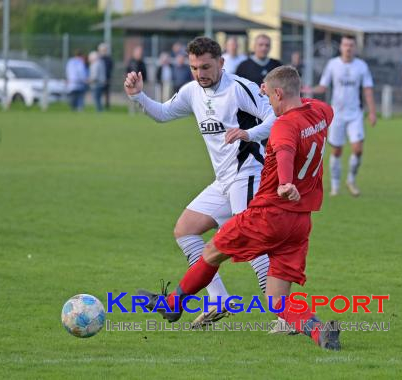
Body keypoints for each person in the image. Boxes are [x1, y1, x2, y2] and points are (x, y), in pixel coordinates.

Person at [136, 66, 341, 351]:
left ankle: (172, 305)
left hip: (269, 214)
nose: (267, 102)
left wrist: (284, 183)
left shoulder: (284, 126)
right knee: (277, 301)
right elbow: (319, 107)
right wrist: (272, 89)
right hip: (300, 222)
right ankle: (320, 332)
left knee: (210, 253)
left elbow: (284, 152)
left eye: (269, 96)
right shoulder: (320, 112)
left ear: (279, 94)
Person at [124, 37, 275, 325]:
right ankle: (217, 300)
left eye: (206, 67)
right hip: (224, 181)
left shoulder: (239, 88)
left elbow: (274, 117)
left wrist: (249, 134)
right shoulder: (192, 90)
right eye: (194, 68)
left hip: (249, 174)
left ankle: (284, 315)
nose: (200, 73)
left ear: (221, 63)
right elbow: (164, 113)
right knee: (185, 230)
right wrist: (138, 96)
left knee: (253, 245)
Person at [307, 35, 376, 197]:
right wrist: (307, 90)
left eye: (351, 45)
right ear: (341, 47)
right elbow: (323, 87)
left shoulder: (361, 66)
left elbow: (367, 89)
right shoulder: (333, 65)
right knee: (336, 151)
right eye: (345, 45)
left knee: (358, 149)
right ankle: (335, 187)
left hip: (355, 114)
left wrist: (372, 112)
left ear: (355, 48)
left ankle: (351, 180)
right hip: (337, 114)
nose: (348, 48)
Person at [98, 43, 114, 110]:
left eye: (104, 50)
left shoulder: (109, 59)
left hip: (107, 79)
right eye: (102, 50)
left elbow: (110, 68)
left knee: (107, 94)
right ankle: (99, 107)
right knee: (98, 93)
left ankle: (107, 107)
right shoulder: (98, 59)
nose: (103, 51)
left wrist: (108, 77)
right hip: (99, 80)